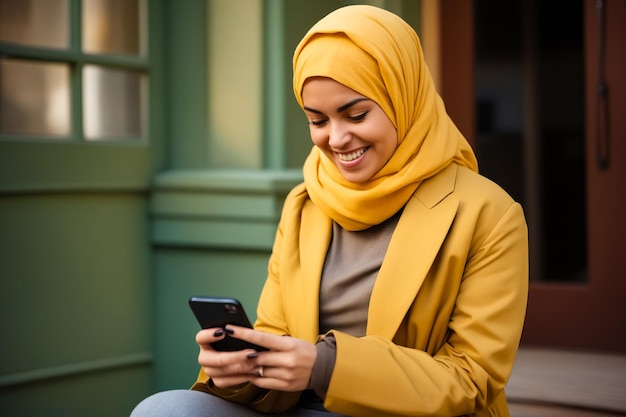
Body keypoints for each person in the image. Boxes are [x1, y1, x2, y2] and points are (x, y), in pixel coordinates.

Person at [131, 4, 528, 417]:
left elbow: (471, 378)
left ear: (404, 98)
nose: (336, 139)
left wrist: (326, 366)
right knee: (164, 409)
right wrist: (242, 367)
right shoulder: (306, 202)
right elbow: (275, 332)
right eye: (317, 120)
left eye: (356, 114)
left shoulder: (488, 213)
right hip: (299, 408)